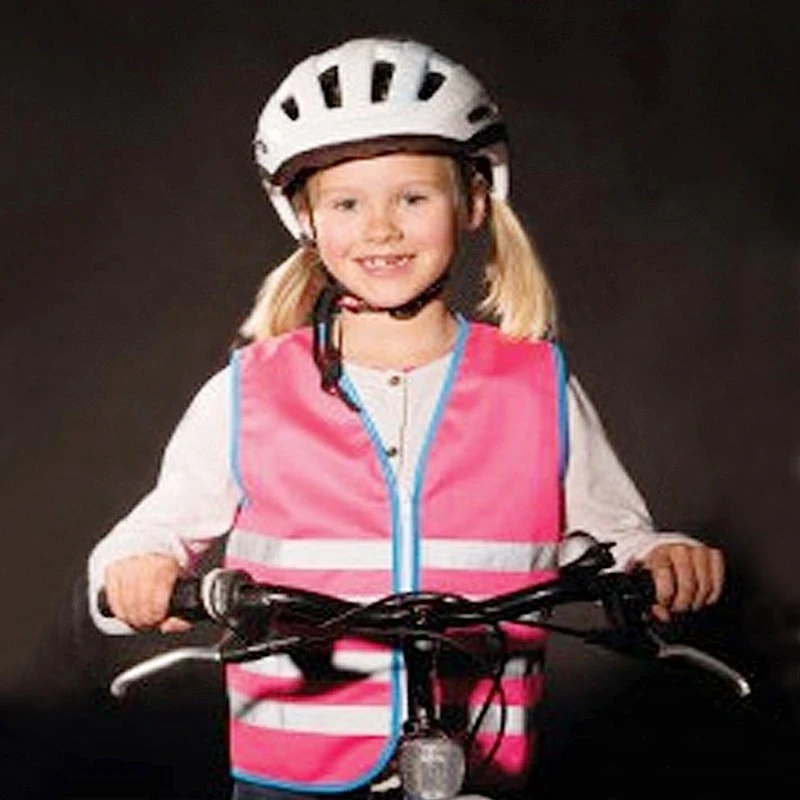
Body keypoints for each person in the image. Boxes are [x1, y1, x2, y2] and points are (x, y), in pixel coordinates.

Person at [88, 37, 725, 800]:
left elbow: (614, 536)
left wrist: (659, 557)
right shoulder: (249, 390)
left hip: (478, 761)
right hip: (293, 775)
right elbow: (148, 536)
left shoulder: (536, 387)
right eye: (347, 203)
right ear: (305, 219)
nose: (381, 228)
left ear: (474, 202)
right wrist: (140, 570)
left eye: (412, 198)